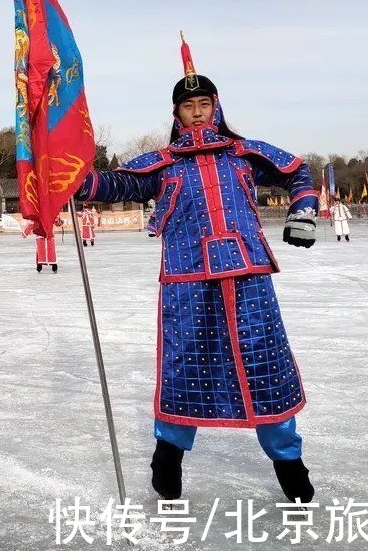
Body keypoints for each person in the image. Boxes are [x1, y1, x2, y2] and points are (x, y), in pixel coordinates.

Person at [77, 37, 318, 504]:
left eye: (204, 103)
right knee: (183, 367)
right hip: (187, 278)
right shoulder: (164, 165)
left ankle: (289, 460)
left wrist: (302, 211)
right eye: (188, 106)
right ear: (176, 114)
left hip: (248, 274)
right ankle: (168, 456)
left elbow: (298, 171)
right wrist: (68, 174)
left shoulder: (245, 153)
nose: (198, 112)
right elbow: (115, 182)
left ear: (217, 107)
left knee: (265, 365)